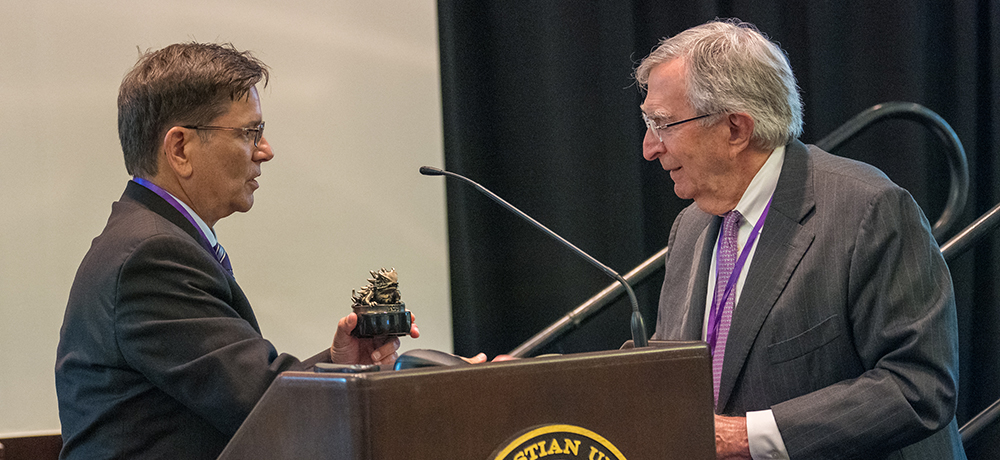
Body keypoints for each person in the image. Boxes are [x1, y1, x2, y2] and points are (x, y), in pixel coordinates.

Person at [54, 42, 418, 459]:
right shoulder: (151, 256)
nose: (265, 150)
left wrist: (342, 363)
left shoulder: (148, 238)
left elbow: (248, 397)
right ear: (180, 149)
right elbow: (264, 406)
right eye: (249, 132)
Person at [636, 19, 966, 459]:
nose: (649, 147)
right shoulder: (691, 227)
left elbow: (919, 385)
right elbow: (666, 367)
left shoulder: (867, 209)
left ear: (735, 129)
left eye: (663, 124)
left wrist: (747, 437)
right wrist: (545, 384)